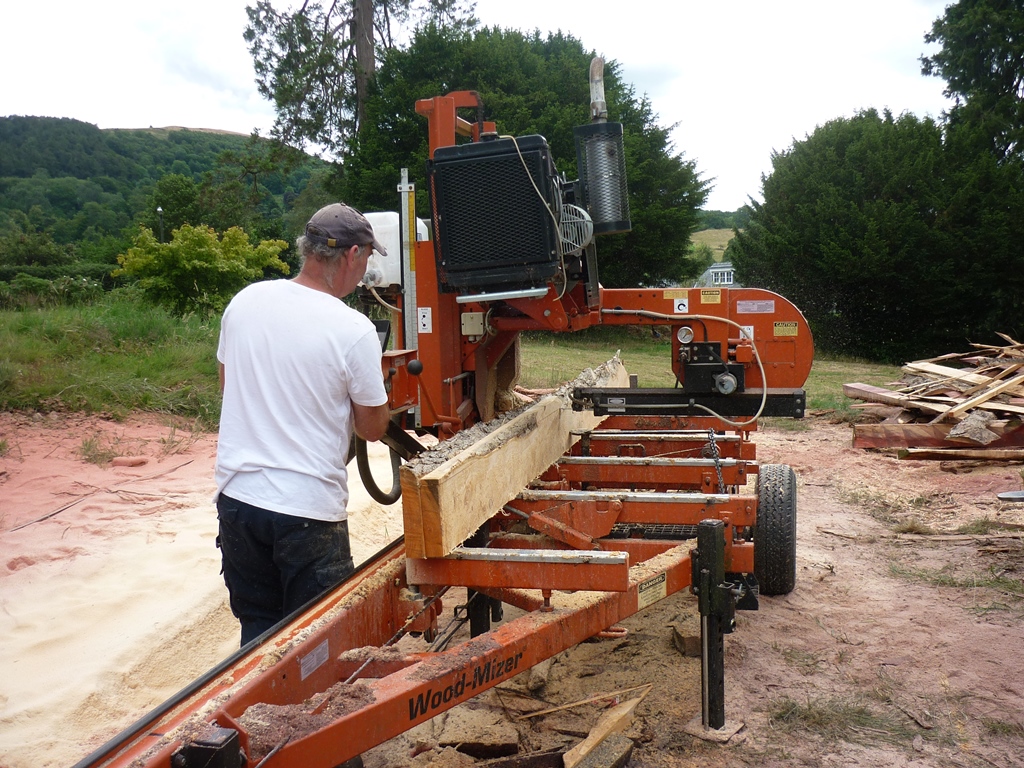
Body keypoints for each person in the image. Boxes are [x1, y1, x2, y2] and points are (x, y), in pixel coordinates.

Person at [214, 202, 391, 646]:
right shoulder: (353, 329)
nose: (364, 273)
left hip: (238, 501)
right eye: (367, 259)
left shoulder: (245, 301)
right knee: (320, 643)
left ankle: (254, 692)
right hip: (306, 512)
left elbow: (228, 385)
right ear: (352, 254)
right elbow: (371, 429)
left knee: (258, 632)